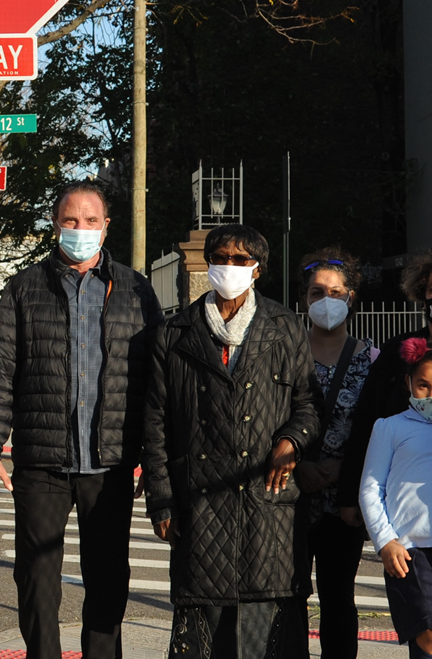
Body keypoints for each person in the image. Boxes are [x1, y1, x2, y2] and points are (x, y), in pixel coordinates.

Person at [0, 180, 162, 659]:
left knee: (109, 579)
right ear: (56, 225)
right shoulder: (25, 288)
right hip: (42, 462)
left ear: (106, 226)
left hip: (111, 463)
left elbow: (156, 381)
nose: (80, 229)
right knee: (35, 578)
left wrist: (152, 463)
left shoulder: (135, 289)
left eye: (90, 221)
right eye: (70, 220)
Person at [143, 223, 321, 658]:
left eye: (240, 260)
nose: (229, 267)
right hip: (199, 503)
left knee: (269, 630)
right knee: (206, 632)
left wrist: (292, 442)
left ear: (257, 269)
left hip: (269, 504)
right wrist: (162, 499)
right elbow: (155, 423)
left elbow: (310, 406)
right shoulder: (174, 332)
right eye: (220, 258)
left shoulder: (285, 328)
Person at [338, 250, 432, 528]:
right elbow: (366, 419)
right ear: (423, 298)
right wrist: (349, 495)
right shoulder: (398, 352)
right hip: (408, 501)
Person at [360, 338, 432, 659]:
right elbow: (370, 488)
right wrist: (386, 542)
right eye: (423, 385)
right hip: (411, 552)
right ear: (408, 382)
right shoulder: (389, 427)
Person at [294, 249, 378, 658]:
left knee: (338, 597)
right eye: (316, 292)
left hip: (344, 502)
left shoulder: (372, 360)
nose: (326, 299)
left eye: (336, 292)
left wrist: (342, 469)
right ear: (304, 300)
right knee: (288, 596)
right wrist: (300, 466)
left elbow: (378, 429)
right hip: (288, 495)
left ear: (351, 298)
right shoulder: (284, 352)